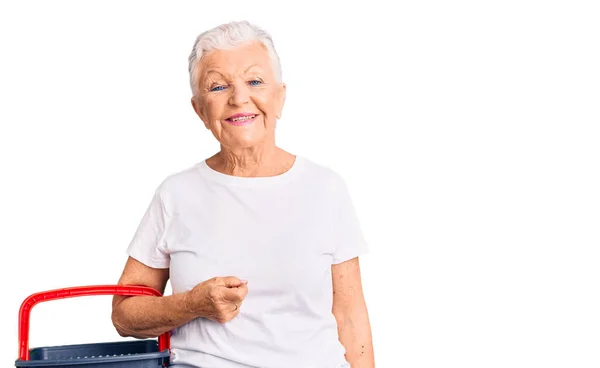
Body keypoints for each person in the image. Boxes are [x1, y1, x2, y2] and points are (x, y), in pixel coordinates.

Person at [111, 20, 374, 368]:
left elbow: (351, 317)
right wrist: (192, 304)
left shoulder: (325, 188)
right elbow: (124, 314)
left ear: (279, 96)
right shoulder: (175, 194)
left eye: (255, 81)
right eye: (218, 86)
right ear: (200, 110)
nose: (238, 98)